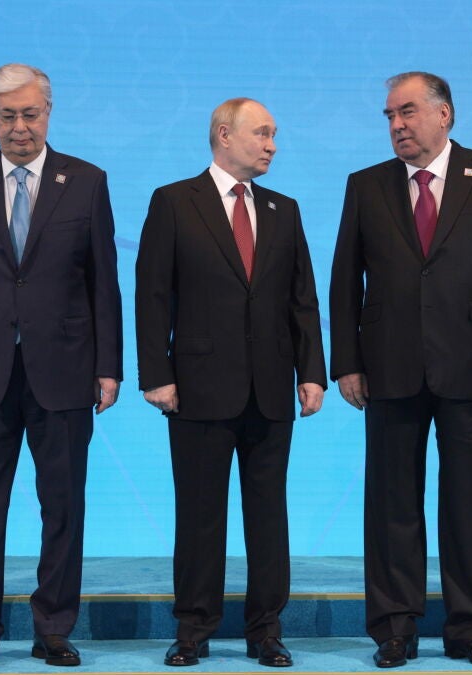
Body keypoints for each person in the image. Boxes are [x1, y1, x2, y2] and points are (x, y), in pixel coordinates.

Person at [329, 72, 472, 669]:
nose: (397, 125)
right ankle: (395, 628)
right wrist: (347, 362)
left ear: (444, 114)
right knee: (392, 503)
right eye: (390, 116)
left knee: (467, 503)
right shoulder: (366, 184)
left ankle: (468, 628)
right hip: (387, 366)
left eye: (408, 112)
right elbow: (345, 278)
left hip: (471, 363)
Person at [0, 63, 122, 670]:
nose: (19, 126)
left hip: (65, 368)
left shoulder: (86, 181)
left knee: (63, 504)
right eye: (7, 115)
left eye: (30, 114)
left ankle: (54, 628)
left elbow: (104, 282)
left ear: (48, 112)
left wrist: (109, 366)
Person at [135, 97, 326, 668]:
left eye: (274, 135)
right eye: (262, 133)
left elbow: (303, 300)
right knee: (199, 515)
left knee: (269, 516)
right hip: (196, 388)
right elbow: (152, 294)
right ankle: (193, 629)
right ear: (224, 134)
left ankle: (266, 630)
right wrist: (156, 375)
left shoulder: (284, 209)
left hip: (270, 388)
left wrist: (312, 373)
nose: (272, 145)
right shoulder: (174, 201)